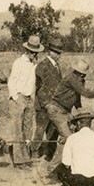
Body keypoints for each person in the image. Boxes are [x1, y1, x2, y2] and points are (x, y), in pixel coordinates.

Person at [53, 110, 94, 186]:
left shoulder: (72, 138)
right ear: (90, 124)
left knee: (60, 168)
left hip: (78, 180)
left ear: (78, 124)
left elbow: (66, 162)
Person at [7, 35, 43, 168]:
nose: (34, 54)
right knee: (17, 130)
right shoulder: (18, 63)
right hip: (18, 97)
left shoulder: (35, 64)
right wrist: (16, 98)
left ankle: (26, 157)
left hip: (29, 98)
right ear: (27, 50)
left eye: (36, 52)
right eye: (32, 51)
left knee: (28, 128)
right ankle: (19, 160)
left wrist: (31, 98)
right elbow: (12, 81)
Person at [33, 37, 64, 170]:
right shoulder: (42, 65)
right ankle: (34, 156)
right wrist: (46, 105)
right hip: (43, 107)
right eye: (56, 52)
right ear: (50, 51)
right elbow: (39, 88)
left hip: (55, 106)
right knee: (40, 131)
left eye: (59, 53)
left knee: (53, 133)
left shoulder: (57, 66)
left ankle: (48, 158)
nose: (58, 55)